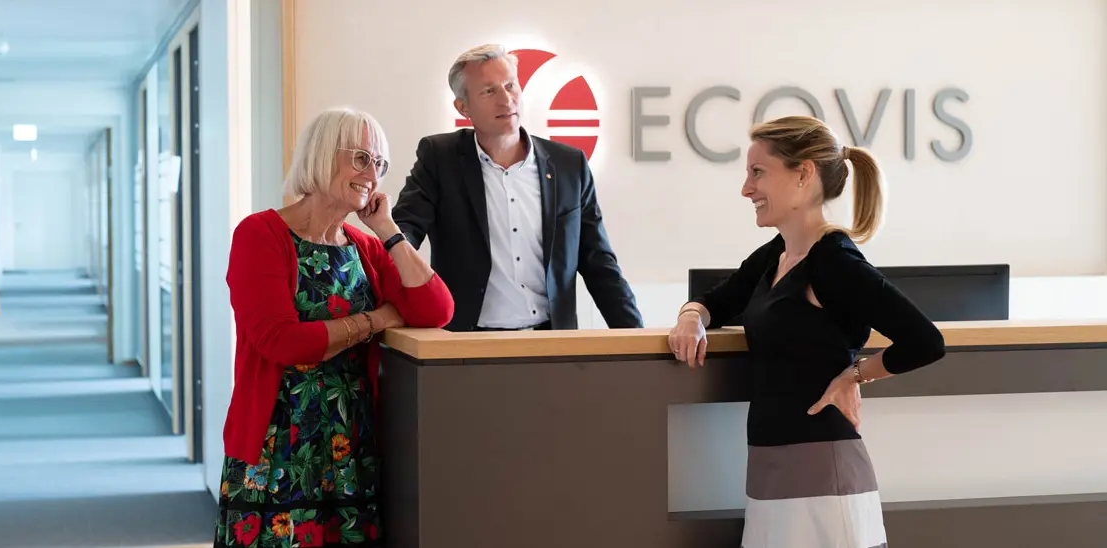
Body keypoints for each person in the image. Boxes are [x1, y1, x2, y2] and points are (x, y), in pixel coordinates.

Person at [667, 115, 946, 548]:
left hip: (822, 473)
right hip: (769, 467)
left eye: (758, 172)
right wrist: (690, 316)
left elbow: (925, 341)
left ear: (803, 174)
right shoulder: (776, 255)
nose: (746, 189)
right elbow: (717, 300)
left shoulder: (834, 261)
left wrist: (854, 375)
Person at [214, 108, 454, 547]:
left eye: (379, 164)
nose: (372, 175)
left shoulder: (365, 246)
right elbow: (282, 342)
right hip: (278, 443)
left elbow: (436, 309)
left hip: (350, 443)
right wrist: (376, 319)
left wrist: (389, 231)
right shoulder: (260, 235)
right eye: (361, 158)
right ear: (323, 155)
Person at [391, 43, 642, 332]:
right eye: (489, 91)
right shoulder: (440, 159)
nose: (506, 99)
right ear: (463, 107)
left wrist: (637, 338)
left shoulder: (568, 165)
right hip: (466, 344)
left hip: (551, 342)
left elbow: (599, 263)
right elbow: (404, 232)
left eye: (511, 85)